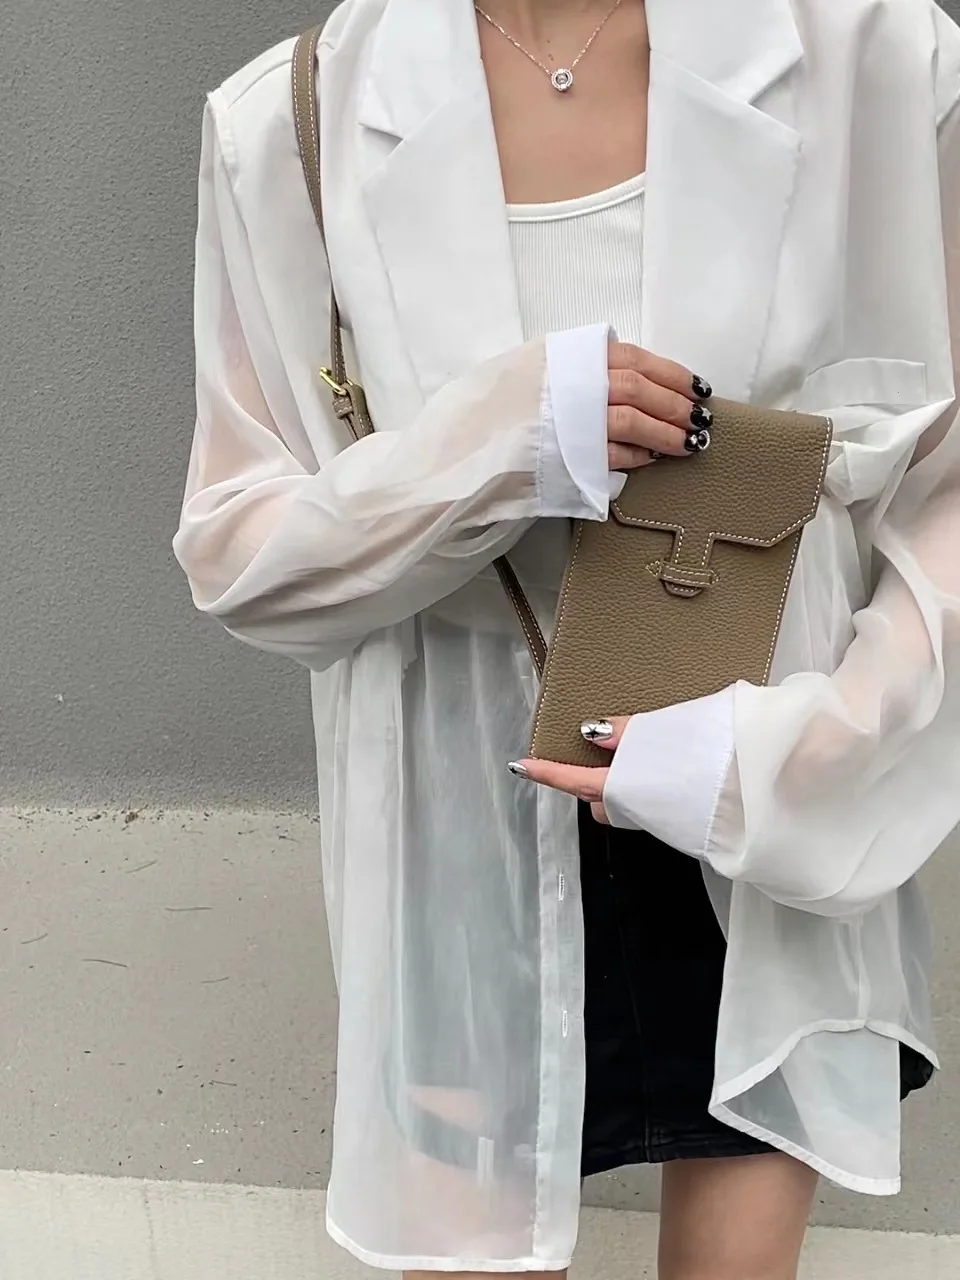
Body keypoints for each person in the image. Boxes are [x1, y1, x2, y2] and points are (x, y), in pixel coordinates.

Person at [173, 0, 960, 1276]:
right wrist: (499, 444)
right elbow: (241, 555)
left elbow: (944, 495)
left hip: (760, 809)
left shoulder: (869, 55)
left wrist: (801, 755)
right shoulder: (288, 120)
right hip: (462, 833)